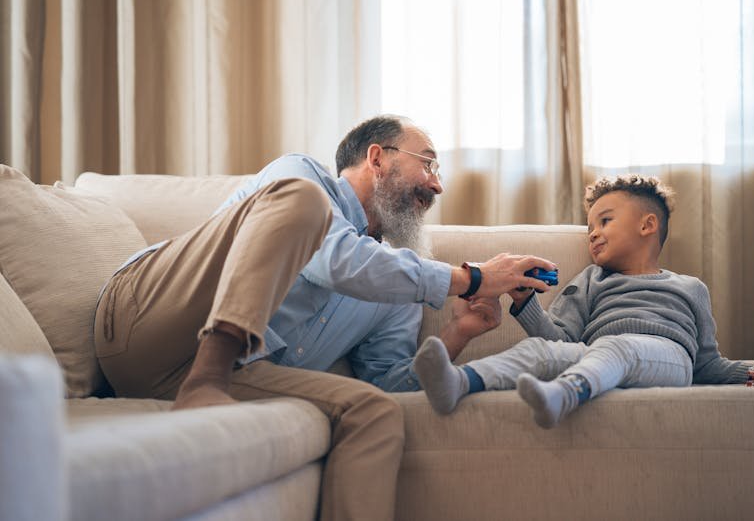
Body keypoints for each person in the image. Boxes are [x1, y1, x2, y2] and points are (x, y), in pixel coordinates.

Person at [93, 114, 554, 520]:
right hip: (147, 320)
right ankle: (206, 379)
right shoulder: (302, 177)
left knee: (374, 413)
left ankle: (209, 378)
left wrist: (457, 333)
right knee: (302, 203)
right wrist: (471, 278)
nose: (437, 185)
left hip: (230, 371)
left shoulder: (399, 284)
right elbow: (335, 259)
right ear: (377, 157)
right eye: (428, 164)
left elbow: (392, 386)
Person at [413, 174, 754, 429]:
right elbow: (560, 340)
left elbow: (709, 365)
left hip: (667, 359)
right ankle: (457, 382)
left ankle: (564, 394)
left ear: (647, 225)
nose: (592, 232)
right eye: (590, 225)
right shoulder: (590, 280)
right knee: (540, 353)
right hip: (597, 353)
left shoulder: (689, 287)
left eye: (605, 220)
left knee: (618, 349)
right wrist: (525, 302)